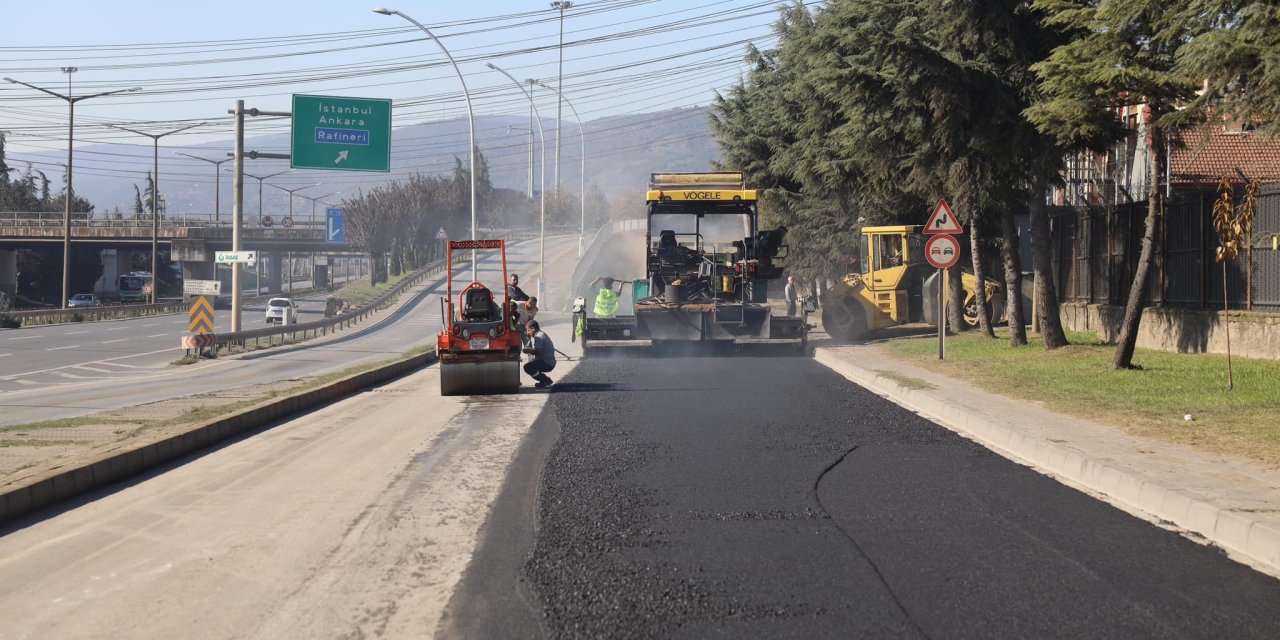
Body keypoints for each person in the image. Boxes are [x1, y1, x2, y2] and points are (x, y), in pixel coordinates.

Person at [522, 320, 556, 388]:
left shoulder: (539, 336)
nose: (527, 333)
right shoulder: (540, 334)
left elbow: (538, 351)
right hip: (546, 361)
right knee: (531, 363)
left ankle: (545, 380)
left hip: (547, 363)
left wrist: (527, 350)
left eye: (528, 330)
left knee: (527, 367)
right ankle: (544, 380)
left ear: (533, 329)